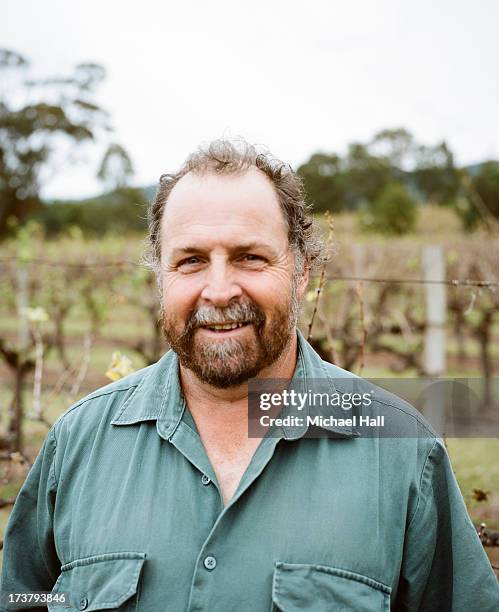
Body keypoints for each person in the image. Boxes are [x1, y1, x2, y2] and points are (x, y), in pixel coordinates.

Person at [1, 139, 498, 611]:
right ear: (160, 276)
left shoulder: (403, 448)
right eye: (191, 260)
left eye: (250, 258)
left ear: (302, 271)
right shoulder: (77, 442)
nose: (218, 290)